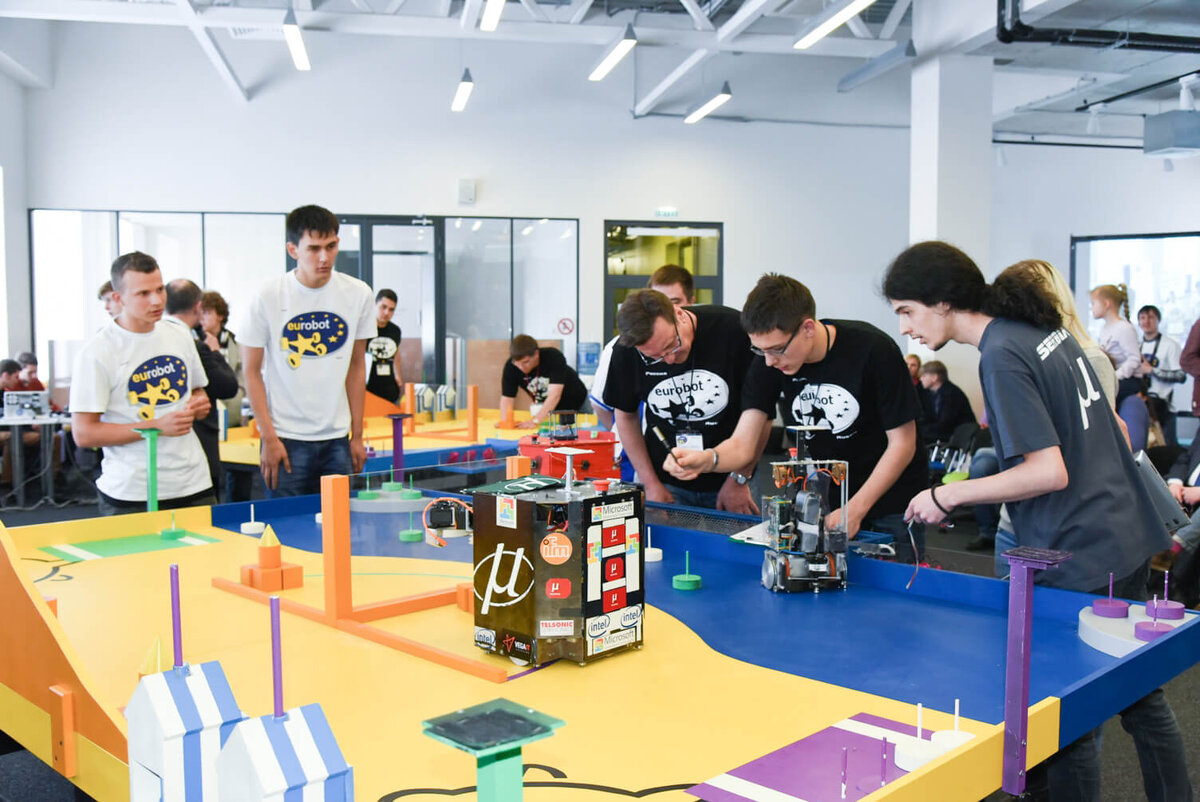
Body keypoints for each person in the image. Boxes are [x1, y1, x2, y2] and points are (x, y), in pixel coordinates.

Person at [882, 241, 1191, 802]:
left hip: (1080, 547)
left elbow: (1048, 471)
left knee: (1069, 719)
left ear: (942, 301)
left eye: (907, 310)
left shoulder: (1001, 352)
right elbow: (1106, 435)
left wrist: (947, 495)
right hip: (1119, 533)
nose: (906, 327)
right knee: (1138, 693)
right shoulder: (1039, 332)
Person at [665, 274, 926, 555]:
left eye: (777, 349)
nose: (769, 361)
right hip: (833, 499)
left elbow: (902, 444)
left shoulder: (872, 349)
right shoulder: (769, 361)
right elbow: (743, 442)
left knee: (893, 578)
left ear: (808, 328)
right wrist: (706, 459)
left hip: (891, 500)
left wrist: (856, 508)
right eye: (760, 350)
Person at [241, 205, 375, 497]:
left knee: (340, 521)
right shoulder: (268, 295)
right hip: (285, 439)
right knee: (285, 521)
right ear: (293, 250)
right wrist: (268, 437)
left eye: (331, 246)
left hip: (338, 439)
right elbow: (250, 371)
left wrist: (357, 435)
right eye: (313, 249)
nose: (324, 257)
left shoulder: (359, 294)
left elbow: (356, 366)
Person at [70, 252, 214, 515]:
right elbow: (84, 433)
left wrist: (199, 403)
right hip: (132, 491)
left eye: (160, 289)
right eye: (143, 293)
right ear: (118, 298)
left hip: (193, 484)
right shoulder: (97, 352)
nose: (157, 300)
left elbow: (197, 391)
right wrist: (156, 426)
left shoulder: (179, 334)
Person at [605, 289, 760, 514]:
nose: (669, 360)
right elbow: (625, 415)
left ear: (679, 313)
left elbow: (760, 415)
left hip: (734, 477)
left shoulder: (733, 330)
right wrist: (651, 484)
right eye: (655, 358)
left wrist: (739, 478)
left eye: (672, 345)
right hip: (666, 481)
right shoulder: (626, 351)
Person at [591, 264, 696, 431]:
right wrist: (625, 436)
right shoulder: (621, 347)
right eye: (659, 301)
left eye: (675, 302)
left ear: (691, 302)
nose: (665, 309)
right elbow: (601, 404)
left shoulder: (711, 337)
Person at [165, 279, 239, 500]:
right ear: (198, 307)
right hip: (197, 450)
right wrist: (215, 353)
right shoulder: (193, 346)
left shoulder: (156, 342)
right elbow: (228, 386)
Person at [500, 335, 590, 430]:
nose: (521, 368)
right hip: (549, 411)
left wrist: (535, 420)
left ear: (536, 354)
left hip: (577, 404)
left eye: (526, 362)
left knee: (583, 434)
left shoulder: (553, 357)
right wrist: (506, 421)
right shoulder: (511, 367)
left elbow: (554, 395)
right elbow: (507, 398)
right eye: (517, 364)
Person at [1138, 304, 1185, 447]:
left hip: (1164, 407)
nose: (1146, 321)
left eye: (1151, 317)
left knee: (1166, 450)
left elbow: (1181, 376)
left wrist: (1153, 371)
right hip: (1143, 403)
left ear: (1158, 320)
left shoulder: (1170, 345)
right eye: (1142, 318)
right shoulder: (1136, 345)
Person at [1090, 283, 1142, 405]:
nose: (1091, 308)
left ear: (1106, 304)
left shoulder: (1124, 328)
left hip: (1127, 381)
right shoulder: (1104, 328)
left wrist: (1114, 377)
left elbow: (1134, 359)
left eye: (1093, 304)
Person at [200, 290, 245, 426]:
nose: (202, 318)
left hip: (233, 409)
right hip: (205, 409)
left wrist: (239, 394)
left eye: (207, 313)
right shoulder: (193, 341)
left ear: (220, 316)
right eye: (200, 313)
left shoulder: (235, 342)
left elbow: (242, 375)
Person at [916, 360, 975, 443]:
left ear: (934, 377)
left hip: (955, 436)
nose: (921, 379)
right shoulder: (934, 393)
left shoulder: (951, 394)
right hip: (948, 433)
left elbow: (945, 424)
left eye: (924, 376)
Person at [366, 289, 404, 404]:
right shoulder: (364, 328)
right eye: (383, 307)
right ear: (375, 305)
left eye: (391, 309)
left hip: (389, 387)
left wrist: (398, 375)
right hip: (368, 387)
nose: (387, 312)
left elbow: (395, 353)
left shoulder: (395, 331)